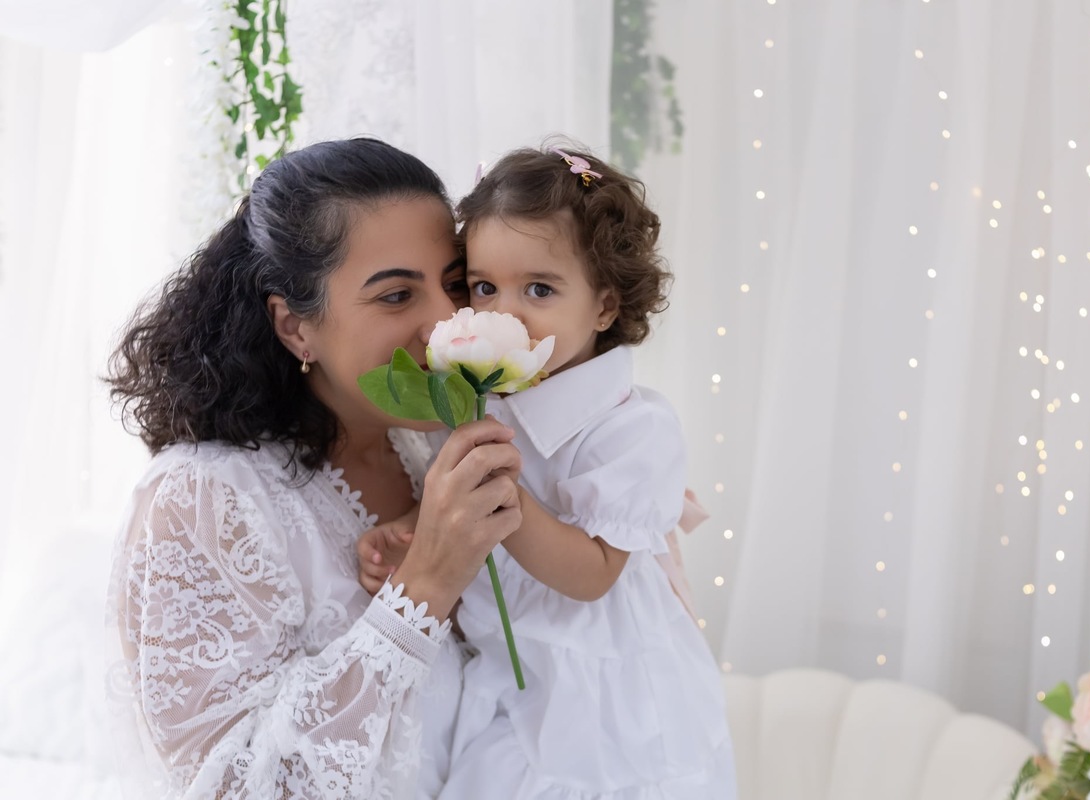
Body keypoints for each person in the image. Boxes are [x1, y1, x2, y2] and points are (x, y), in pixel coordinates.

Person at [104, 137, 523, 800]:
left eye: (452, 285)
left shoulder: (441, 449)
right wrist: (423, 586)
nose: (445, 323)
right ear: (295, 327)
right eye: (394, 297)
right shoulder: (201, 499)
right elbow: (231, 790)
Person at [436, 145, 735, 798]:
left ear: (603, 306)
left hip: (600, 696)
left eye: (539, 289)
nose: (505, 313)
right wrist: (411, 529)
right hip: (509, 672)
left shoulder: (632, 428)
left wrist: (503, 498)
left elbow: (593, 576)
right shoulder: (482, 399)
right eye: (485, 287)